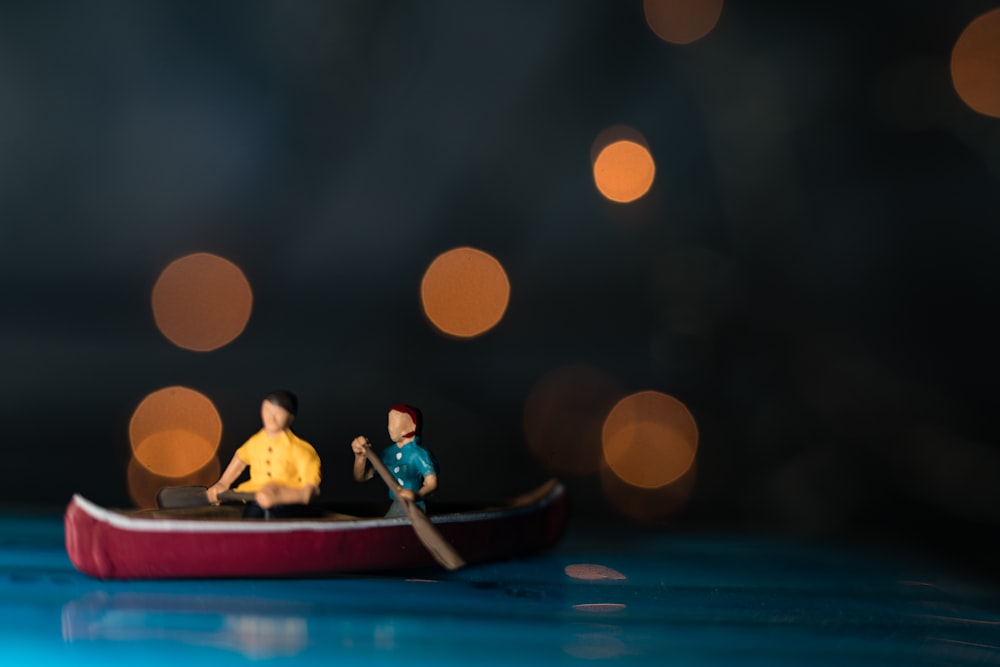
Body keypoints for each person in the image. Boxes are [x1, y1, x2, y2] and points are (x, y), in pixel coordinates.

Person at [208, 390, 321, 517]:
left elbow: (311, 490)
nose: (271, 418)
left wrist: (281, 496)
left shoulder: (302, 450)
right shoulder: (255, 442)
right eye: (267, 411)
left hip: (287, 506)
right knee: (250, 523)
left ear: (290, 417)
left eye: (278, 413)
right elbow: (240, 458)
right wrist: (223, 483)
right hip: (254, 499)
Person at [351, 404, 438, 517]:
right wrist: (360, 457)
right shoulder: (388, 453)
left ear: (412, 426)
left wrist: (416, 495)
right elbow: (361, 477)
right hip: (397, 504)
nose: (390, 427)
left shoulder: (419, 454)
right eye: (390, 422)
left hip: (415, 507)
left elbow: (432, 483)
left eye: (395, 422)